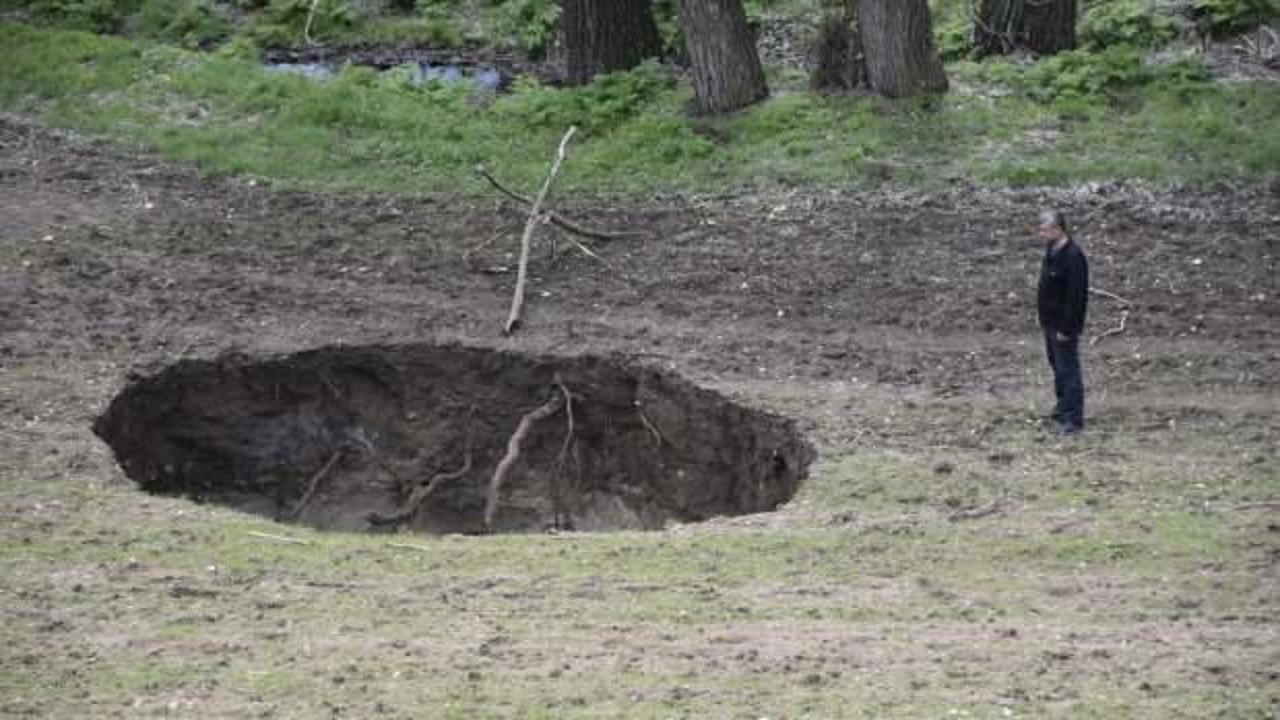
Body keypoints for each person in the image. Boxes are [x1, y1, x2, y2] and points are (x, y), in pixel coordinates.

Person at [1036, 210, 1089, 434]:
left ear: (1059, 229)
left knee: (1068, 370)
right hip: (1049, 322)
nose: (1041, 233)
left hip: (1063, 324)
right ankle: (1062, 407)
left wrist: (1067, 328)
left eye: (1045, 229)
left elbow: (1076, 297)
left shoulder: (1073, 256)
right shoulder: (1052, 250)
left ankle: (1074, 419)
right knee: (1057, 368)